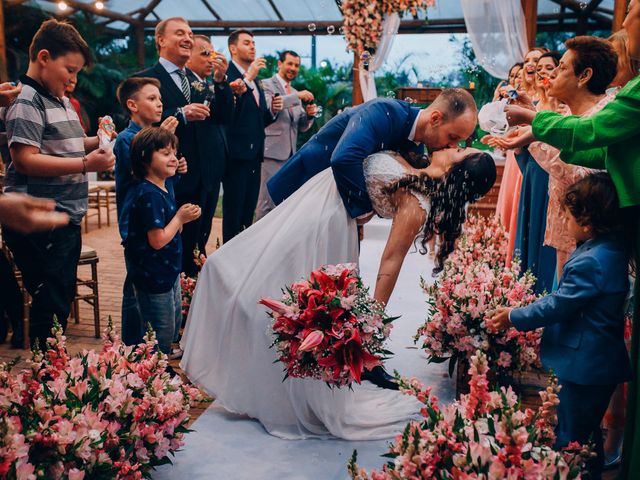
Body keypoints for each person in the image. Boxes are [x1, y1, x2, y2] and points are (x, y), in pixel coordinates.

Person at [181, 146, 495, 440]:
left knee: (257, 285)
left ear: (457, 169)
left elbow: (392, 260)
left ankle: (273, 391)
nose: (454, 145)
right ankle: (251, 377)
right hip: (310, 204)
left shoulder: (418, 200)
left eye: (460, 150)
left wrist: (370, 322)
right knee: (232, 270)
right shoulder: (417, 160)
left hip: (321, 224)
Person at [505, 3, 640, 474]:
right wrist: (527, 134)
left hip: (597, 234)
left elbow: (591, 142)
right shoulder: (574, 113)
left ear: (583, 75)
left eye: (559, 67)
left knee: (596, 318)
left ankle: (606, 438)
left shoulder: (612, 110)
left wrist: (533, 126)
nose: (623, 25)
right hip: (580, 232)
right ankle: (595, 444)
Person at [488, 173, 632, 479]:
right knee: (586, 435)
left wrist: (513, 315)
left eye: (566, 217)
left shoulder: (591, 261)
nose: (563, 222)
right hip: (597, 364)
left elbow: (558, 305)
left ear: (588, 222)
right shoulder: (610, 249)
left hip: (584, 366)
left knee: (571, 438)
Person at [2, 19, 115, 348]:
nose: (74, 80)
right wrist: (85, 164)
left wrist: (100, 140)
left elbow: (73, 143)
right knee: (51, 301)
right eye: (70, 69)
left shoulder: (60, 100)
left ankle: (51, 370)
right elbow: (25, 159)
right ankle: (47, 376)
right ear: (44, 57)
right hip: (38, 219)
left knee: (59, 296)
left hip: (65, 217)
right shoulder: (27, 101)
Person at [268, 90, 478, 225]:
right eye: (452, 137)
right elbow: (344, 158)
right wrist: (363, 211)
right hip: (301, 190)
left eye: (459, 143)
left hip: (333, 210)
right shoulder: (382, 111)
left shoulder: (418, 148)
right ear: (435, 118)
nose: (453, 146)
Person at [133, 17, 233, 277]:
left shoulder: (197, 79)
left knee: (198, 245)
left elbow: (222, 116)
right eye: (180, 33)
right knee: (172, 248)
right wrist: (180, 113)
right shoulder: (145, 79)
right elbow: (139, 123)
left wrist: (221, 82)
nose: (188, 38)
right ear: (161, 40)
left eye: (190, 33)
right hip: (171, 179)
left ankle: (192, 302)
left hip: (205, 176)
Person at [114, 76, 182, 346]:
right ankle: (137, 347)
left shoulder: (156, 140)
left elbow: (161, 178)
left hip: (161, 218)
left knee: (138, 290)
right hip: (141, 225)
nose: (159, 104)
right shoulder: (126, 140)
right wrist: (158, 139)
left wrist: (175, 170)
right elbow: (140, 178)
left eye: (160, 100)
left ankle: (136, 348)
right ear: (132, 104)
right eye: (152, 99)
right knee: (138, 290)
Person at [123, 127, 200, 355]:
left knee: (173, 320)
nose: (174, 159)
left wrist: (181, 219)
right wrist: (179, 218)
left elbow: (169, 228)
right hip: (152, 274)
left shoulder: (162, 187)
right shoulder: (148, 194)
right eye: (165, 153)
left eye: (174, 153)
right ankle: (156, 370)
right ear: (146, 157)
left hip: (167, 271)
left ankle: (162, 357)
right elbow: (157, 241)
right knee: (160, 329)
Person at [223, 29, 283, 241]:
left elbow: (258, 119)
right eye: (247, 43)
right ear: (233, 48)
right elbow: (229, 112)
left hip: (255, 153)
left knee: (248, 211)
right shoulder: (229, 75)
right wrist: (248, 79)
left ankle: (242, 253)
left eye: (253, 43)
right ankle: (228, 258)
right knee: (234, 210)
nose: (252, 47)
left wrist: (272, 111)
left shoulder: (254, 80)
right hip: (236, 154)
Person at [185, 35, 233, 253]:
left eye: (213, 54)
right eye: (205, 54)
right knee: (192, 232)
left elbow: (224, 116)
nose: (211, 59)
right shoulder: (186, 83)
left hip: (212, 168)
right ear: (188, 57)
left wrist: (221, 82)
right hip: (194, 168)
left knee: (203, 229)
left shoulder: (210, 83)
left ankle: (196, 267)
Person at [256, 50, 316, 220]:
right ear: (279, 64)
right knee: (266, 201)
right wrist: (297, 96)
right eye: (289, 64)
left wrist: (309, 115)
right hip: (270, 153)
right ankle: (260, 242)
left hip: (289, 155)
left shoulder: (294, 91)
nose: (293, 68)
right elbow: (269, 107)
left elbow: (301, 126)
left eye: (296, 65)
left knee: (282, 202)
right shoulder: (266, 84)